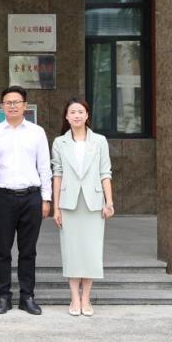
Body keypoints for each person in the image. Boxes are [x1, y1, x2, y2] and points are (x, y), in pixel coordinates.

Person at [0, 85, 52, 316]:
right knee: (2, 250)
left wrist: (46, 198)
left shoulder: (37, 132)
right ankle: (3, 296)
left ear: (25, 106)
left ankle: (27, 296)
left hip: (31, 197)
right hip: (2, 197)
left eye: (17, 102)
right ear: (2, 106)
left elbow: (44, 166)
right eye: (8, 102)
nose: (12, 106)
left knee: (28, 251)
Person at [51, 98, 115, 317]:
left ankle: (86, 298)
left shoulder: (99, 141)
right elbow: (57, 175)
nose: (77, 115)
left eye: (81, 111)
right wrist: (56, 208)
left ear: (87, 115)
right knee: (72, 251)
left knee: (90, 251)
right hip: (68, 204)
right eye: (73, 112)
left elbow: (105, 173)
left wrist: (109, 202)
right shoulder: (59, 142)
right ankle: (74, 298)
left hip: (93, 203)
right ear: (66, 117)